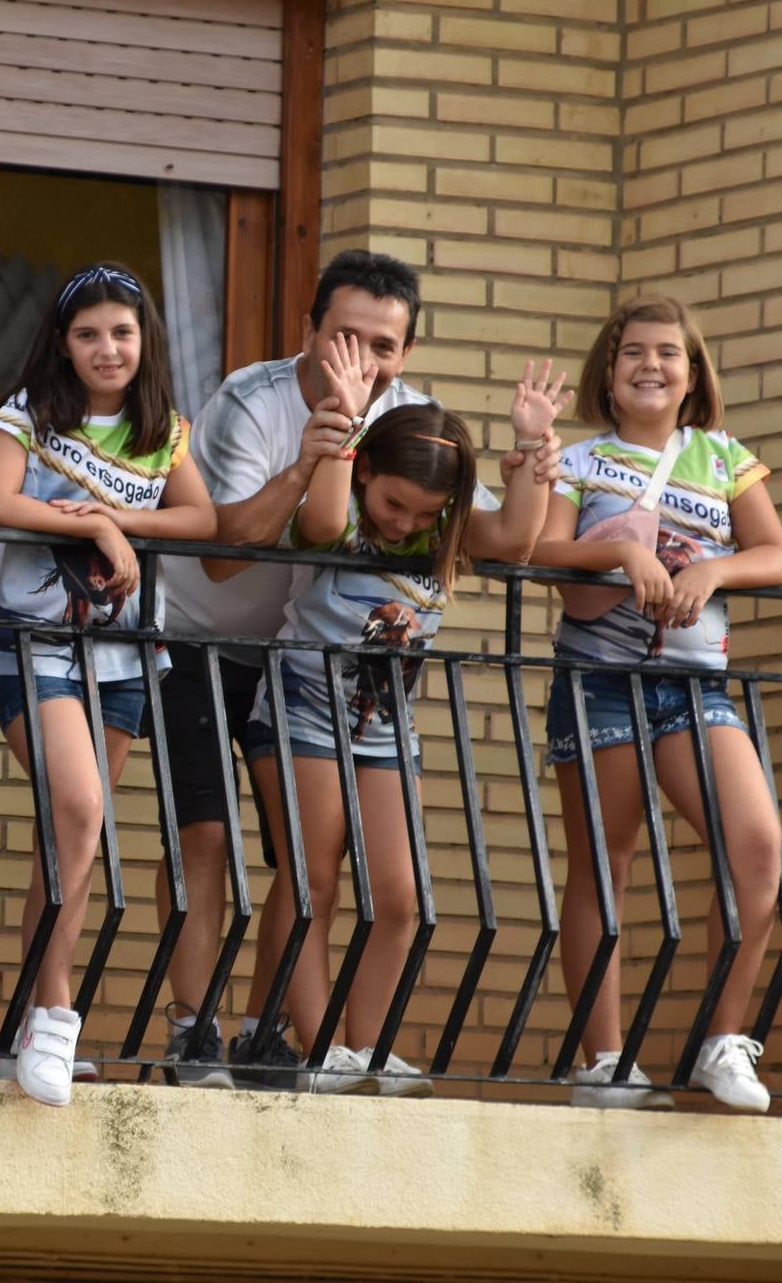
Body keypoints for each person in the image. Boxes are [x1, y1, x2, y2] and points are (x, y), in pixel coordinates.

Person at [151, 250, 561, 1090]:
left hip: (364, 705)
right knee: (213, 843)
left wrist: (531, 458)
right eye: (343, 336)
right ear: (308, 330)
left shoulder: (415, 430)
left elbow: (503, 538)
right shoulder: (252, 401)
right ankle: (199, 1031)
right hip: (209, 648)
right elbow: (231, 554)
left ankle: (286, 1040)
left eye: (382, 345)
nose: (363, 360)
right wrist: (327, 440)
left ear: (404, 352)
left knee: (343, 879)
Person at [244, 369, 567, 1098]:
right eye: (393, 504)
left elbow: (516, 539)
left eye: (423, 514)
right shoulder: (343, 514)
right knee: (313, 882)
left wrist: (530, 447)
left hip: (385, 726)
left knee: (401, 896)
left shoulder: (445, 529)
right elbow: (324, 522)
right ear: (364, 473)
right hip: (299, 709)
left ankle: (368, 1047)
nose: (402, 525)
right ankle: (319, 1046)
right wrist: (343, 422)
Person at [531, 295, 782, 1113]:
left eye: (667, 354)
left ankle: (721, 1044)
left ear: (691, 375)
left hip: (694, 686)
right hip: (597, 678)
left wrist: (711, 571)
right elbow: (542, 553)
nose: (650, 364)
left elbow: (777, 556)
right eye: (631, 352)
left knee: (754, 845)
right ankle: (602, 1064)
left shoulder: (721, 458)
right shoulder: (578, 460)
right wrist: (615, 553)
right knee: (605, 863)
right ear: (606, 377)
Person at [0, 262, 216, 1107]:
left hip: (120, 661)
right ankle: (58, 1015)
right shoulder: (30, 415)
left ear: (144, 340)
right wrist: (97, 529)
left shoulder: (163, 431)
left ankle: (31, 1021)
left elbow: (200, 521)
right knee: (77, 811)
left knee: (66, 839)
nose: (106, 348)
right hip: (32, 647)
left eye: (121, 331)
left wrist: (119, 524)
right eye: (87, 334)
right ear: (62, 344)